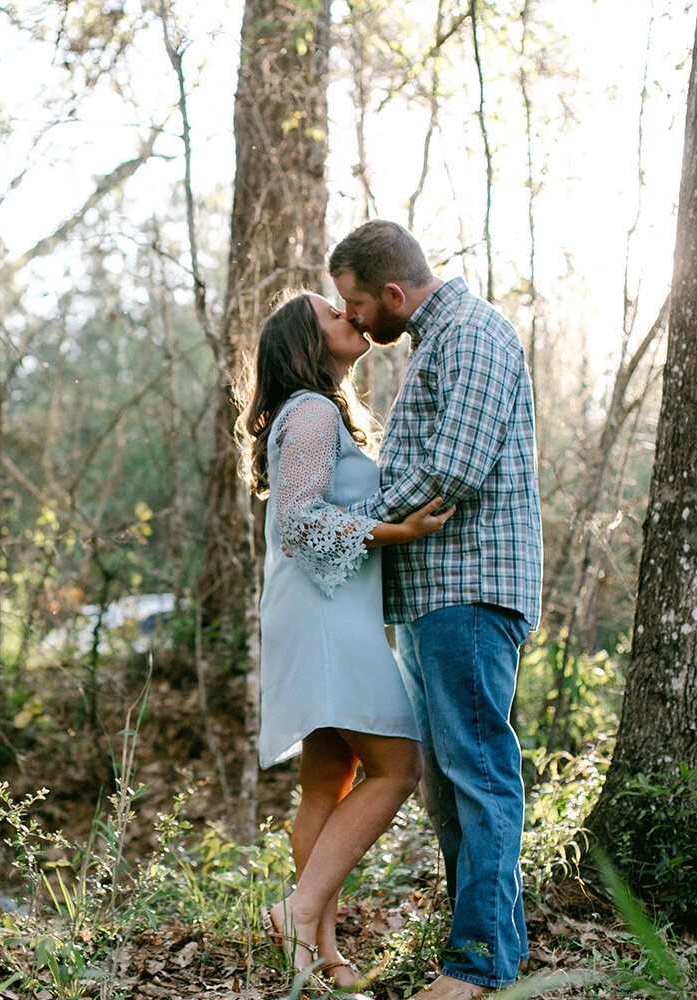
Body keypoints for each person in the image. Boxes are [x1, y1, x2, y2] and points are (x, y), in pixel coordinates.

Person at [328, 220, 543, 1000]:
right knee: (448, 784)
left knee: (479, 774)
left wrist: (350, 525)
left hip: (472, 590)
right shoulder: (434, 341)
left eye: (355, 304)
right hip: (433, 595)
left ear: (392, 292)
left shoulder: (475, 333)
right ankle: (495, 953)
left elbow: (458, 466)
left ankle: (475, 966)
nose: (353, 320)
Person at [238, 289, 454, 995]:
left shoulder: (318, 414)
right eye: (333, 313)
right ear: (307, 342)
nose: (349, 315)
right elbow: (301, 524)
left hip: (328, 611)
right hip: (324, 615)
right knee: (397, 767)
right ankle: (300, 914)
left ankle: (319, 954)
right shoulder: (308, 411)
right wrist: (402, 531)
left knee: (324, 786)